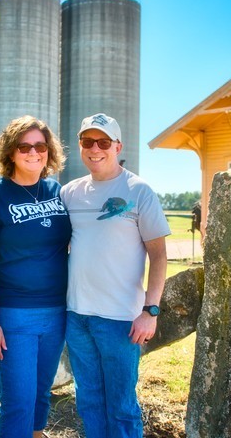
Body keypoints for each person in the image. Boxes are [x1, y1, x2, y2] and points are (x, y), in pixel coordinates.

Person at [60, 113, 170, 437]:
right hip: (76, 317)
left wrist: (150, 311)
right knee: (89, 401)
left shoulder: (139, 190)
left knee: (121, 407)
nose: (95, 148)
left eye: (103, 142)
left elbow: (159, 255)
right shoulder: (69, 193)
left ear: (117, 146)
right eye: (87, 141)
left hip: (121, 321)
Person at [0, 115, 71, 438]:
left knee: (40, 395)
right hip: (14, 317)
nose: (33, 153)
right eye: (25, 146)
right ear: (11, 152)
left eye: (40, 146)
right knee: (17, 403)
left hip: (56, 314)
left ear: (49, 152)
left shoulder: (58, 193)